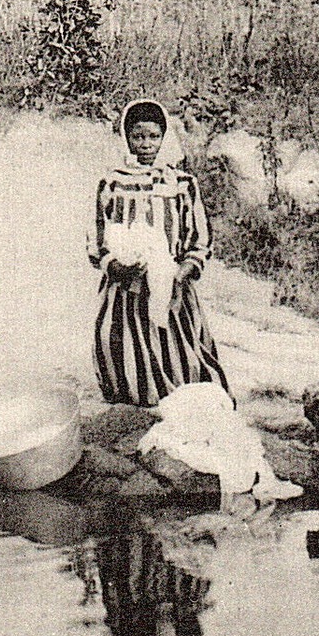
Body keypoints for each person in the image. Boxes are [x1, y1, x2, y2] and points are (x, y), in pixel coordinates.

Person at [89, 99, 229, 407]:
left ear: (164, 137)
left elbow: (199, 237)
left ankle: (185, 409)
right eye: (138, 136)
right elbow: (96, 237)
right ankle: (132, 408)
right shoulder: (112, 182)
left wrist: (181, 272)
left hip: (172, 285)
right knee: (119, 347)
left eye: (153, 136)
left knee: (179, 351)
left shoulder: (181, 183)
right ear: (126, 137)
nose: (146, 144)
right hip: (126, 288)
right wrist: (117, 267)